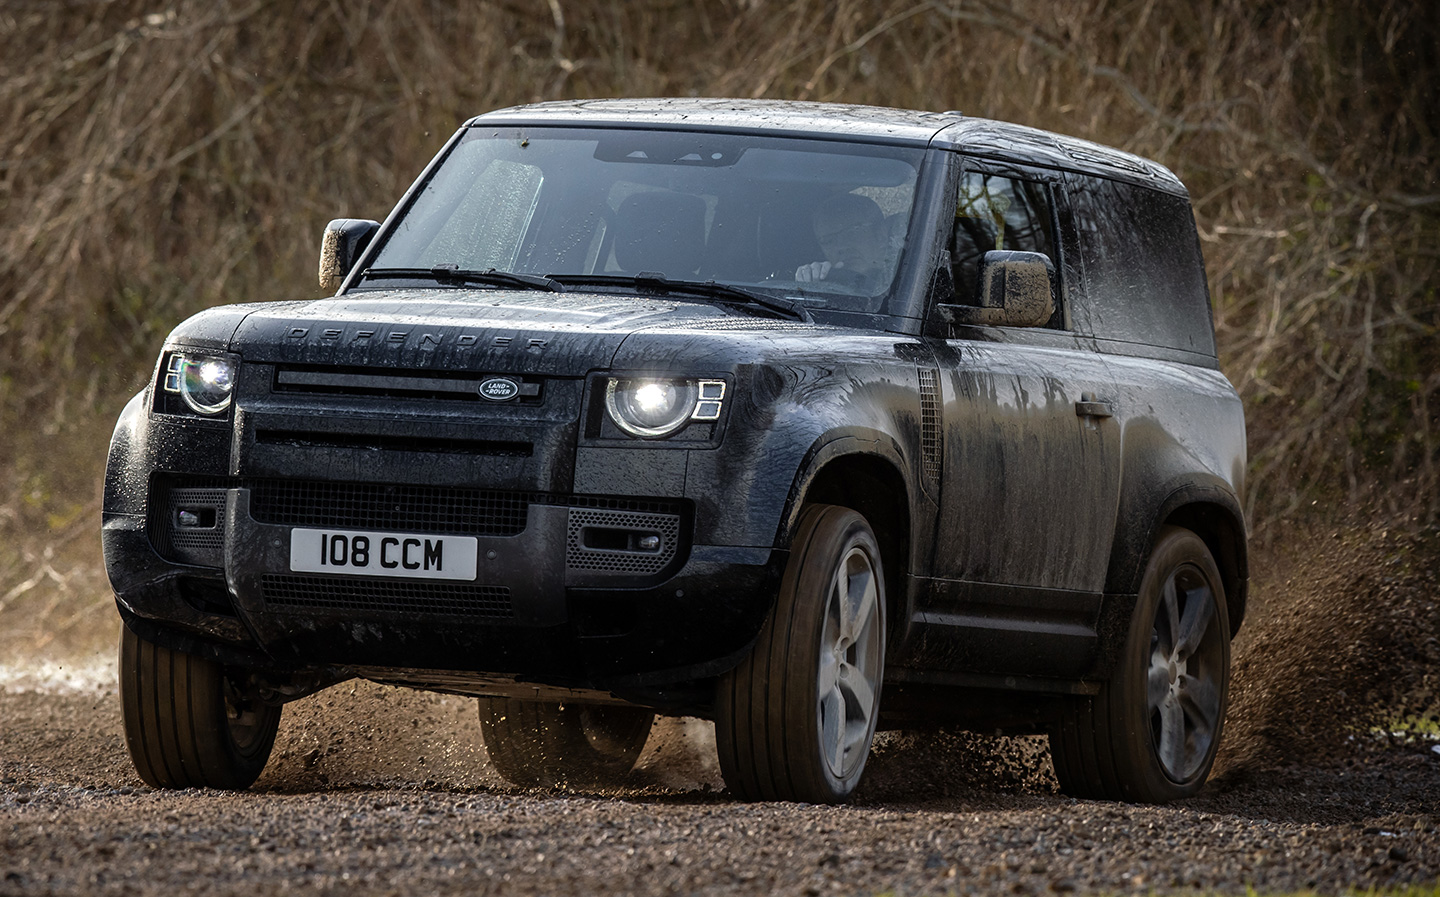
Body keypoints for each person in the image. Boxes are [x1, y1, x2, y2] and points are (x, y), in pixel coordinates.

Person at [794, 192, 893, 295]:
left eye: (851, 233)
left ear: (881, 236)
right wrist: (810, 287)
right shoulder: (826, 283)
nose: (839, 247)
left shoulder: (906, 284)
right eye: (828, 241)